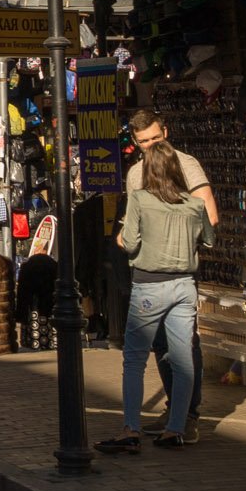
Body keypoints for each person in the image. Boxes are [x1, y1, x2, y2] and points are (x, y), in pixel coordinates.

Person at [98, 143, 213, 454]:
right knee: (183, 359)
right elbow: (209, 239)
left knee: (134, 359)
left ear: (148, 170)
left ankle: (130, 430)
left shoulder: (140, 200)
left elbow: (130, 243)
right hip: (185, 285)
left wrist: (124, 239)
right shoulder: (193, 204)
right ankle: (176, 428)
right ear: (176, 169)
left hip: (150, 285)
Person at [124, 110, 218, 441]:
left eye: (155, 138)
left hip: (175, 269)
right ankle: (175, 415)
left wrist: (172, 241)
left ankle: (188, 415)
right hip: (148, 272)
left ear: (165, 130)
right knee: (161, 345)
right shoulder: (136, 174)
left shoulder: (185, 164)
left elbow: (208, 212)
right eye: (143, 141)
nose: (150, 146)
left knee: (181, 345)